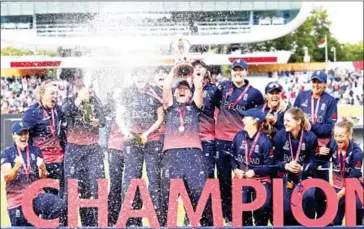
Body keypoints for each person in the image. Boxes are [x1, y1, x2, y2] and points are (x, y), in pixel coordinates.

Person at [215, 59, 265, 223]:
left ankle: (245, 217)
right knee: (223, 180)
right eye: (235, 70)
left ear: (246, 72)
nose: (238, 73)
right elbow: (213, 105)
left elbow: (260, 116)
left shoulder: (255, 93)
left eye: (241, 70)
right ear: (231, 72)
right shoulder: (222, 87)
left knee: (244, 179)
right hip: (221, 139)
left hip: (242, 141)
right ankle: (228, 217)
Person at [160, 67, 211, 226]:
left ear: (190, 93)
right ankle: (168, 224)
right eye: (179, 89)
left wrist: (190, 71)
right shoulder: (169, 106)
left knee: (198, 191)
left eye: (185, 89)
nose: (182, 91)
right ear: (175, 93)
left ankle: (198, 223)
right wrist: (174, 71)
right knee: (168, 194)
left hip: (193, 153)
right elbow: (166, 87)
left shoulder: (195, 107)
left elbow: (199, 87)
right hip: (171, 154)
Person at [120, 69, 164, 226]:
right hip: (133, 140)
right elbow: (120, 115)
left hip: (151, 140)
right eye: (137, 74)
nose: (140, 76)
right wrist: (126, 131)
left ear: (146, 75)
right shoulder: (126, 93)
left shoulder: (155, 91)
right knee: (132, 179)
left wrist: (147, 133)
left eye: (142, 73)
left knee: (154, 179)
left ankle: (158, 219)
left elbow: (160, 117)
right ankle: (132, 219)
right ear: (133, 76)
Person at [1, 122, 66, 226]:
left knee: (59, 205)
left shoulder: (36, 151)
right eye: (20, 134)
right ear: (13, 136)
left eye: (25, 133)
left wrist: (42, 168)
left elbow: (43, 179)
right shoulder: (7, 153)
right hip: (18, 201)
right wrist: (17, 166)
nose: (23, 136)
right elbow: (7, 178)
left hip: (35, 196)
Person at [62, 73, 106, 226]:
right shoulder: (69, 100)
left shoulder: (96, 101)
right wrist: (80, 99)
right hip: (74, 149)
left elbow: (104, 120)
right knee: (71, 188)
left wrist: (98, 122)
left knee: (94, 188)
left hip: (93, 148)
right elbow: (65, 114)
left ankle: (92, 225)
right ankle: (67, 224)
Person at [293, 70, 338, 218]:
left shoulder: (330, 101)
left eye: (319, 82)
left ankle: (322, 221)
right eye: (314, 81)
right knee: (302, 189)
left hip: (321, 153)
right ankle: (304, 220)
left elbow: (328, 128)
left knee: (321, 190)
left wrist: (310, 126)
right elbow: (294, 119)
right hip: (303, 149)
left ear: (325, 84)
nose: (316, 85)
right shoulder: (301, 96)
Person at [274, 107, 319, 225]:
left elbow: (314, 162)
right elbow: (275, 161)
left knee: (308, 198)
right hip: (286, 177)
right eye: (284, 120)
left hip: (305, 178)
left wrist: (302, 168)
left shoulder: (311, 137)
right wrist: (286, 166)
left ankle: (308, 225)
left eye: (288, 121)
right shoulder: (279, 136)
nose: (284, 123)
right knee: (286, 209)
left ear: (298, 121)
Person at [22, 80, 66, 197]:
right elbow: (21, 138)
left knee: (61, 201)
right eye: (52, 93)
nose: (55, 96)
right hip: (41, 164)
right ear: (42, 94)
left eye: (57, 93)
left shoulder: (58, 110)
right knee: (45, 201)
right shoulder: (32, 113)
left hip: (59, 162)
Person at [231, 108, 274, 226]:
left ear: (255, 121)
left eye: (246, 117)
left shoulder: (265, 141)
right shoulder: (239, 136)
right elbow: (232, 156)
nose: (243, 119)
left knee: (262, 208)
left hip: (260, 180)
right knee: (241, 208)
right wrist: (235, 169)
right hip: (242, 179)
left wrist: (255, 171)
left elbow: (270, 166)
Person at [319, 118, 363, 225]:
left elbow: (354, 176)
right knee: (333, 221)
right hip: (337, 187)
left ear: (349, 136)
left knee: (356, 209)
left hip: (354, 188)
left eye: (341, 136)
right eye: (336, 136)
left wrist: (339, 195)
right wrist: (319, 152)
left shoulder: (357, 152)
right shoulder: (333, 144)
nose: (338, 139)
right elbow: (321, 160)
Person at [192, 60, 221, 178]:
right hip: (190, 138)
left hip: (208, 138)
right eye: (195, 67)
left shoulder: (214, 90)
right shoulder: (186, 89)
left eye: (201, 67)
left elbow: (223, 113)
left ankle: (210, 197)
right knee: (192, 174)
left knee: (208, 172)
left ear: (206, 71)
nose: (198, 69)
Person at [106, 88, 125, 226]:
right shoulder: (110, 111)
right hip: (115, 148)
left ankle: (130, 217)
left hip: (131, 148)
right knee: (115, 184)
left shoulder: (130, 107)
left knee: (131, 183)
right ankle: (113, 217)